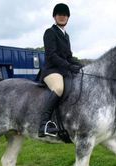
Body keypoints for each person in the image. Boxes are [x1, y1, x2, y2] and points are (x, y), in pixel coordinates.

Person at [38, 3, 82, 137]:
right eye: (59, 14)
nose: (62, 17)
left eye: (65, 15)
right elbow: (52, 55)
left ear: (68, 18)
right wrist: (69, 66)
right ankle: (43, 124)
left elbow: (68, 56)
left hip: (63, 71)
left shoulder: (66, 36)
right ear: (54, 16)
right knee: (58, 88)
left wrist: (80, 66)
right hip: (51, 70)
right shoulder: (50, 32)